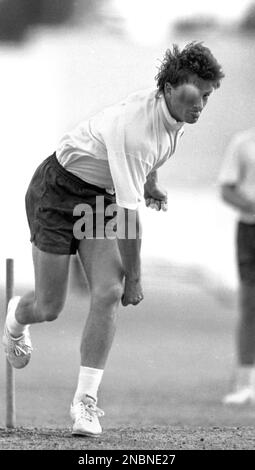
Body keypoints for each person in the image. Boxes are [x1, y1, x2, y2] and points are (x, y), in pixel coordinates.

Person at [3, 42, 224, 436]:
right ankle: (18, 316)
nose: (201, 106)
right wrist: (136, 279)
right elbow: (129, 216)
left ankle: (85, 403)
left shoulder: (175, 117)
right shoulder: (137, 129)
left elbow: (154, 156)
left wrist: (151, 183)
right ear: (169, 89)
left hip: (97, 201)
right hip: (57, 191)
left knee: (106, 291)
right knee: (50, 306)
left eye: (207, 96)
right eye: (194, 95)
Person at [219, 129, 255, 405]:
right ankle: (245, 383)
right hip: (250, 230)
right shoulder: (244, 143)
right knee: (250, 304)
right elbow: (227, 190)